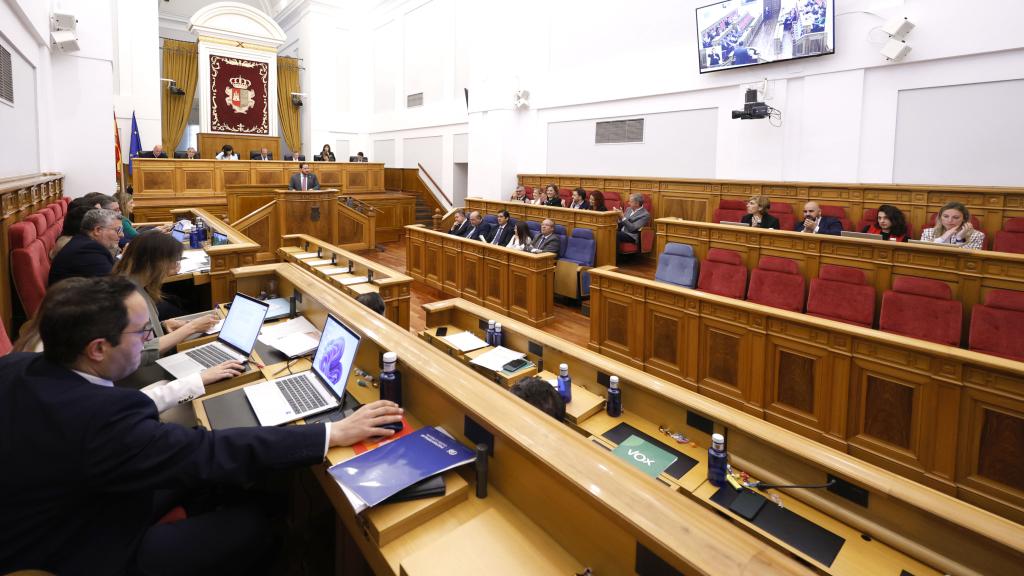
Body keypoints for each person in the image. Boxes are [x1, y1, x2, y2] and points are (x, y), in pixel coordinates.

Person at [0, 276, 403, 574]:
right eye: (142, 333)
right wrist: (333, 432)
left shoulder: (19, 366)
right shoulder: (101, 421)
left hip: (58, 508)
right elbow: (205, 451)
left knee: (209, 476)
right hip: (80, 549)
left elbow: (113, 419)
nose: (149, 340)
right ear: (98, 349)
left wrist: (191, 384)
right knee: (256, 522)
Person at [112, 231, 220, 368]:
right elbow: (139, 354)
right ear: (157, 262)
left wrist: (162, 326)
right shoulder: (128, 298)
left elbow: (142, 334)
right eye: (173, 260)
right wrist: (191, 327)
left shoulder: (134, 284)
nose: (175, 266)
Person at [49, 208, 121, 285]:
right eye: (118, 230)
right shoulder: (88, 250)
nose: (122, 235)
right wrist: (127, 259)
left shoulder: (83, 243)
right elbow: (114, 284)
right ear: (98, 230)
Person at [920, 201, 985, 249]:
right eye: (946, 216)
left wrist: (959, 239)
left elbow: (968, 259)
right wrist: (943, 238)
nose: (949, 220)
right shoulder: (928, 232)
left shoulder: (977, 235)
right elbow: (924, 253)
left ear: (964, 219)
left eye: (955, 217)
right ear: (940, 217)